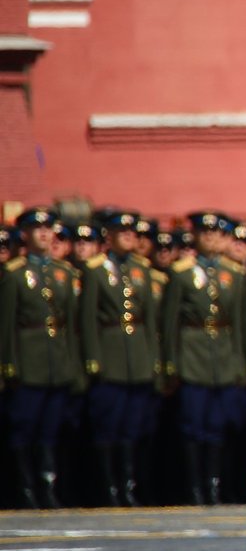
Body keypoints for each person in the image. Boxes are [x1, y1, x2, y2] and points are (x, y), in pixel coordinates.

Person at [159, 212, 246, 504]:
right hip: (193, 355)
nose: (210, 238)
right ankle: (195, 487)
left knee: (219, 426)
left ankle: (214, 484)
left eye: (215, 233)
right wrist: (170, 363)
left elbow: (239, 323)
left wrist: (241, 363)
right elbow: (169, 323)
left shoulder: (232, 273)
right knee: (194, 426)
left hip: (223, 356)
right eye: (204, 233)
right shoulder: (181, 273)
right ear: (194, 237)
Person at [78, 210, 161, 506]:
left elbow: (150, 319)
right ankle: (110, 488)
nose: (128, 238)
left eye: (132, 233)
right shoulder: (95, 269)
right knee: (108, 426)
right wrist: (93, 358)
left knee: (133, 427)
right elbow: (87, 318)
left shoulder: (141, 268)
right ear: (109, 237)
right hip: (110, 354)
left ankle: (129, 485)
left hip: (137, 356)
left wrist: (153, 357)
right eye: (121, 233)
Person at [1, 209, 82, 508]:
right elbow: (7, 324)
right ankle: (26, 489)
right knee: (25, 428)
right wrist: (9, 364)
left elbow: (72, 324)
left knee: (50, 429)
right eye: (37, 229)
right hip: (29, 361)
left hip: (56, 362)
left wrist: (73, 364)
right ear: (24, 234)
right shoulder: (14, 273)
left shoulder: (63, 273)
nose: (45, 234)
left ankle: (48, 487)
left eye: (48, 228)